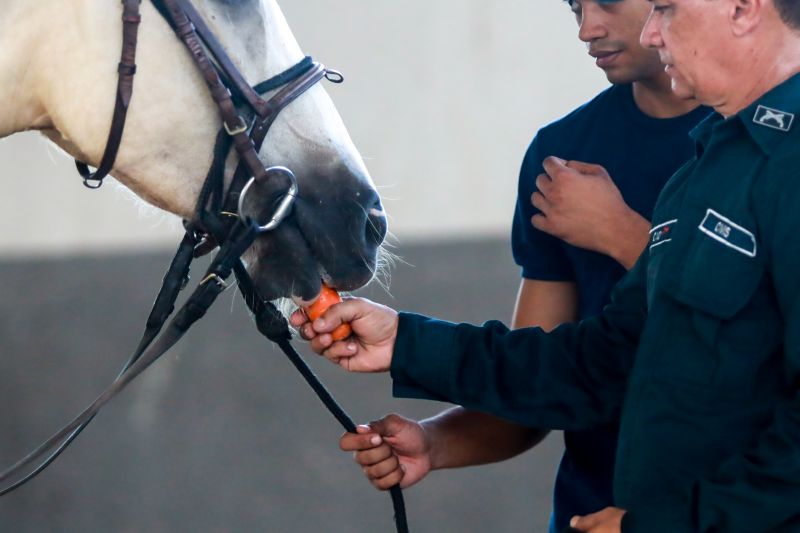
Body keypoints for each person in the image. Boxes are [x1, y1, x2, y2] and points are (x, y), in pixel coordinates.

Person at [293, 0, 800, 531]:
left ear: (742, 8)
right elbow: (597, 364)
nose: (652, 34)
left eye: (667, 9)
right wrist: (405, 342)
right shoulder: (706, 167)